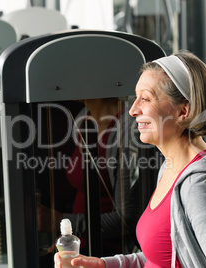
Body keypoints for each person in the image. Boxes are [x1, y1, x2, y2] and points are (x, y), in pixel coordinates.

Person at [54, 50, 206, 267]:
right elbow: (160, 257)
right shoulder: (171, 168)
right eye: (135, 97)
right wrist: (102, 265)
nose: (132, 110)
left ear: (183, 111)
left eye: (146, 99)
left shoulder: (199, 187)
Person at [37, 97, 149, 256]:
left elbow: (127, 218)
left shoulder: (128, 128)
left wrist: (58, 221)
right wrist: (68, 237)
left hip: (110, 253)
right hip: (81, 245)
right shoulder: (83, 118)